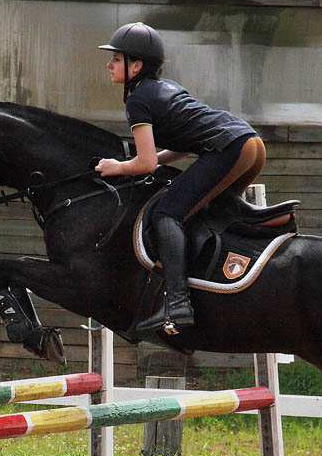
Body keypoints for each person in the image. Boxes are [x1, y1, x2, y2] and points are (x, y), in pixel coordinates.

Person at [96, 22, 265, 335]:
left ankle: (177, 302)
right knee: (207, 213)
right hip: (250, 144)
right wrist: (155, 161)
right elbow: (181, 144)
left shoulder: (137, 100)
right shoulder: (166, 87)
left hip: (228, 148)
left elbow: (144, 163)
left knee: (167, 212)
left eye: (116, 59)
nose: (109, 64)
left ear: (136, 65)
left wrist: (117, 167)